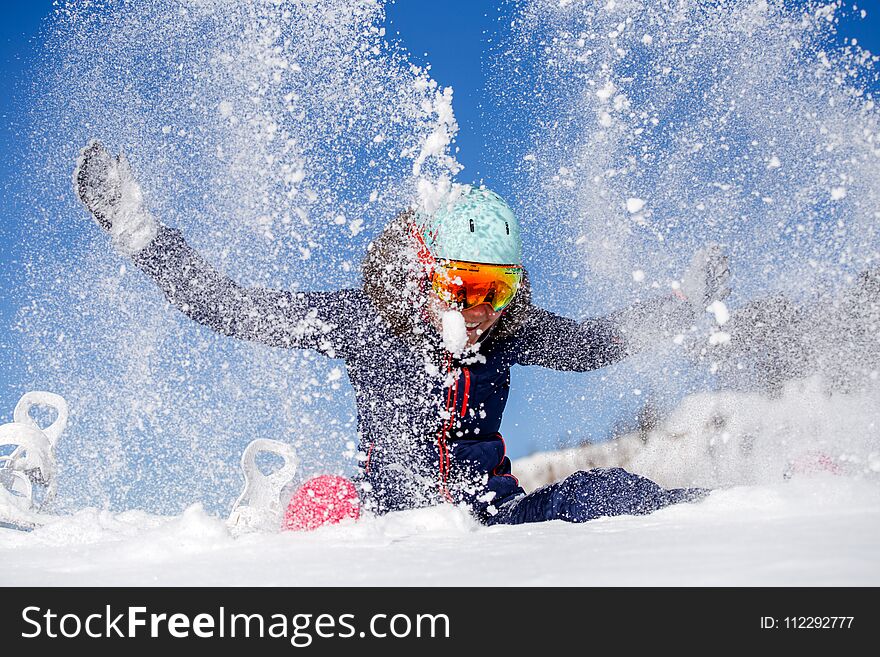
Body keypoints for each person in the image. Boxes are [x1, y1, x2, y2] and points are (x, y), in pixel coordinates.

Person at [73, 140, 727, 525]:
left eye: (494, 290)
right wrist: (139, 233)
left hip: (495, 519)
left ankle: (733, 512)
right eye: (460, 286)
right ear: (424, 272)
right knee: (327, 503)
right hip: (396, 530)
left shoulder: (507, 332)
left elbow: (591, 345)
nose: (477, 308)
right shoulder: (368, 321)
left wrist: (685, 304)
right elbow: (234, 307)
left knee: (598, 488)